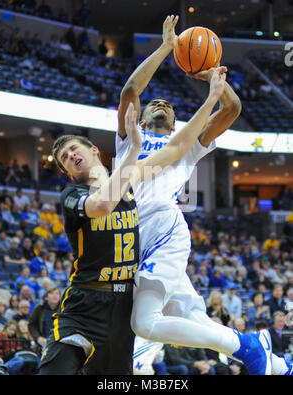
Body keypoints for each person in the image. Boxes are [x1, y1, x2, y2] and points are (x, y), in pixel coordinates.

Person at [115, 14, 291, 375]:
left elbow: (233, 109)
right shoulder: (127, 137)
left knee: (145, 324)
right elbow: (131, 91)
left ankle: (250, 348)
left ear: (177, 124)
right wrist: (166, 47)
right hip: (128, 237)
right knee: (193, 316)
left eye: (168, 105)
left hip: (162, 228)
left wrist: (214, 76)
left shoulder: (186, 144)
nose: (161, 103)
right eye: (155, 104)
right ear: (142, 118)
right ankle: (273, 364)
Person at [39, 66, 227, 375]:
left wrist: (212, 97)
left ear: (95, 150)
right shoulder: (73, 195)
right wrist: (135, 150)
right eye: (64, 158)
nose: (71, 154)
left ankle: (242, 347)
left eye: (75, 148)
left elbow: (178, 147)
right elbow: (101, 204)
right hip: (85, 302)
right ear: (68, 173)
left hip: (121, 303)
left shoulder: (130, 178)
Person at [29, 287, 61, 356]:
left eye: (57, 293)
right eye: (52, 293)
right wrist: (38, 338)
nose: (55, 295)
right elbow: (31, 324)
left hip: (60, 345)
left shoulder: (64, 309)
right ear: (46, 297)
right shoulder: (39, 308)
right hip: (43, 344)